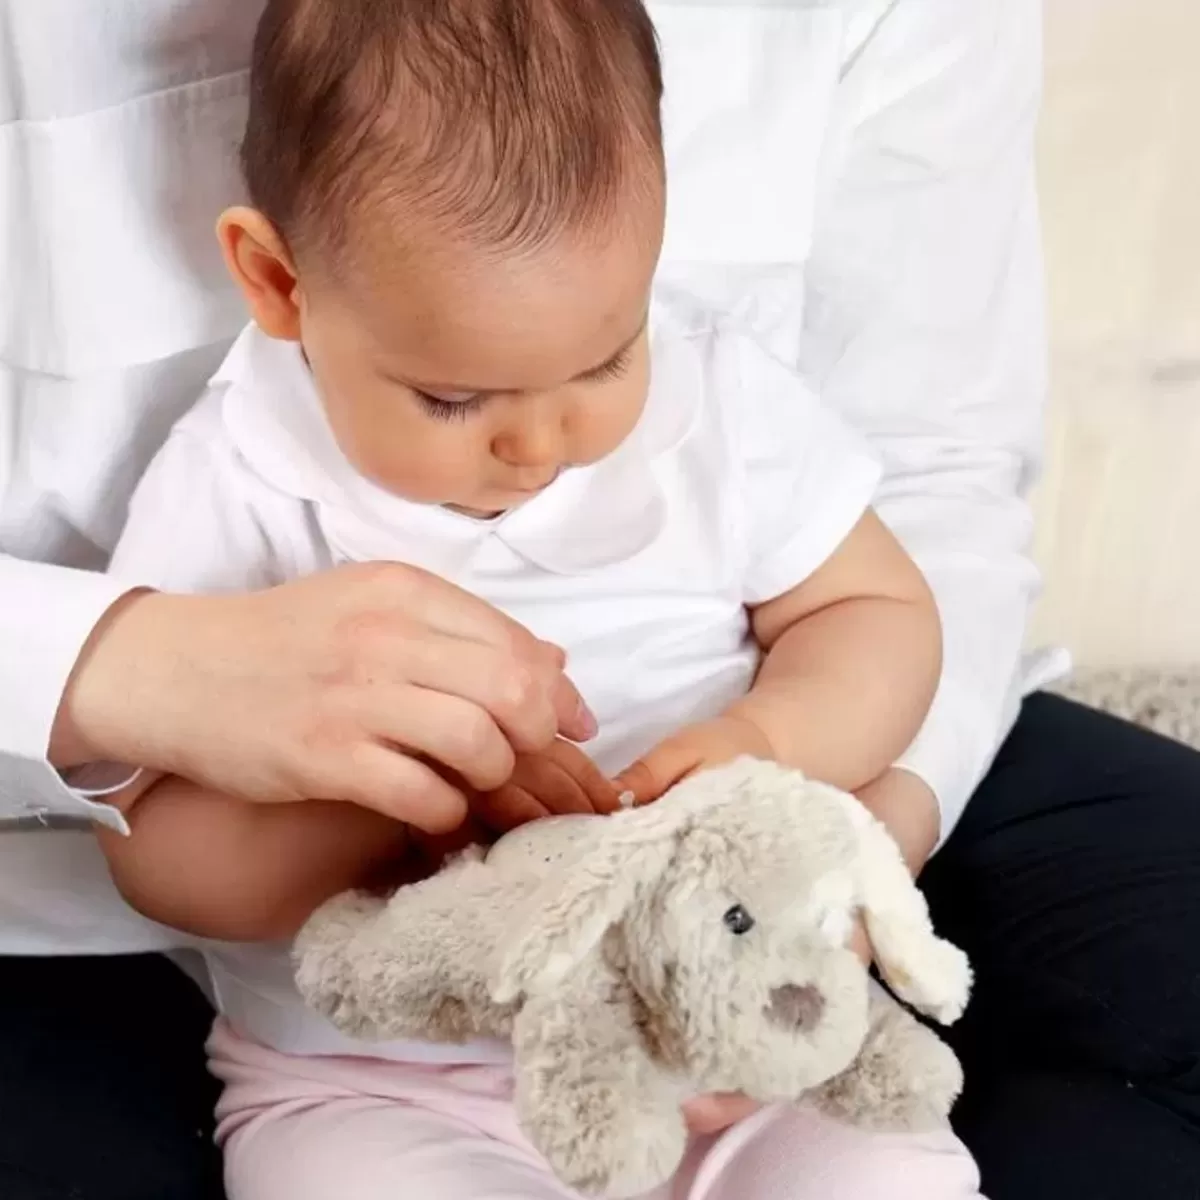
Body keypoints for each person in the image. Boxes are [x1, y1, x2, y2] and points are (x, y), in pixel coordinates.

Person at [0, 1, 1194, 1199]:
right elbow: (160, 855)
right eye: (455, 399)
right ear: (278, 281)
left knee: (883, 1178)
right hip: (373, 1072)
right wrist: (395, 824)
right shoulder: (236, 475)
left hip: (723, 1029)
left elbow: (879, 611)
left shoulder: (719, 405)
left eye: (604, 358)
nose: (541, 442)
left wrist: (773, 750)